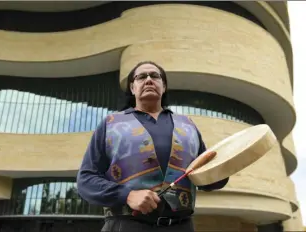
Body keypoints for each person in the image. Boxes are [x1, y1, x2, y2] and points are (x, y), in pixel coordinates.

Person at [77, 61, 229, 232]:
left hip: (181, 227)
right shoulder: (111, 124)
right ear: (132, 88)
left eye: (155, 76)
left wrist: (230, 164)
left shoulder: (188, 126)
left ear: (163, 87)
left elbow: (208, 180)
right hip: (125, 225)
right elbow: (86, 180)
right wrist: (127, 195)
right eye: (141, 76)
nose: (149, 80)